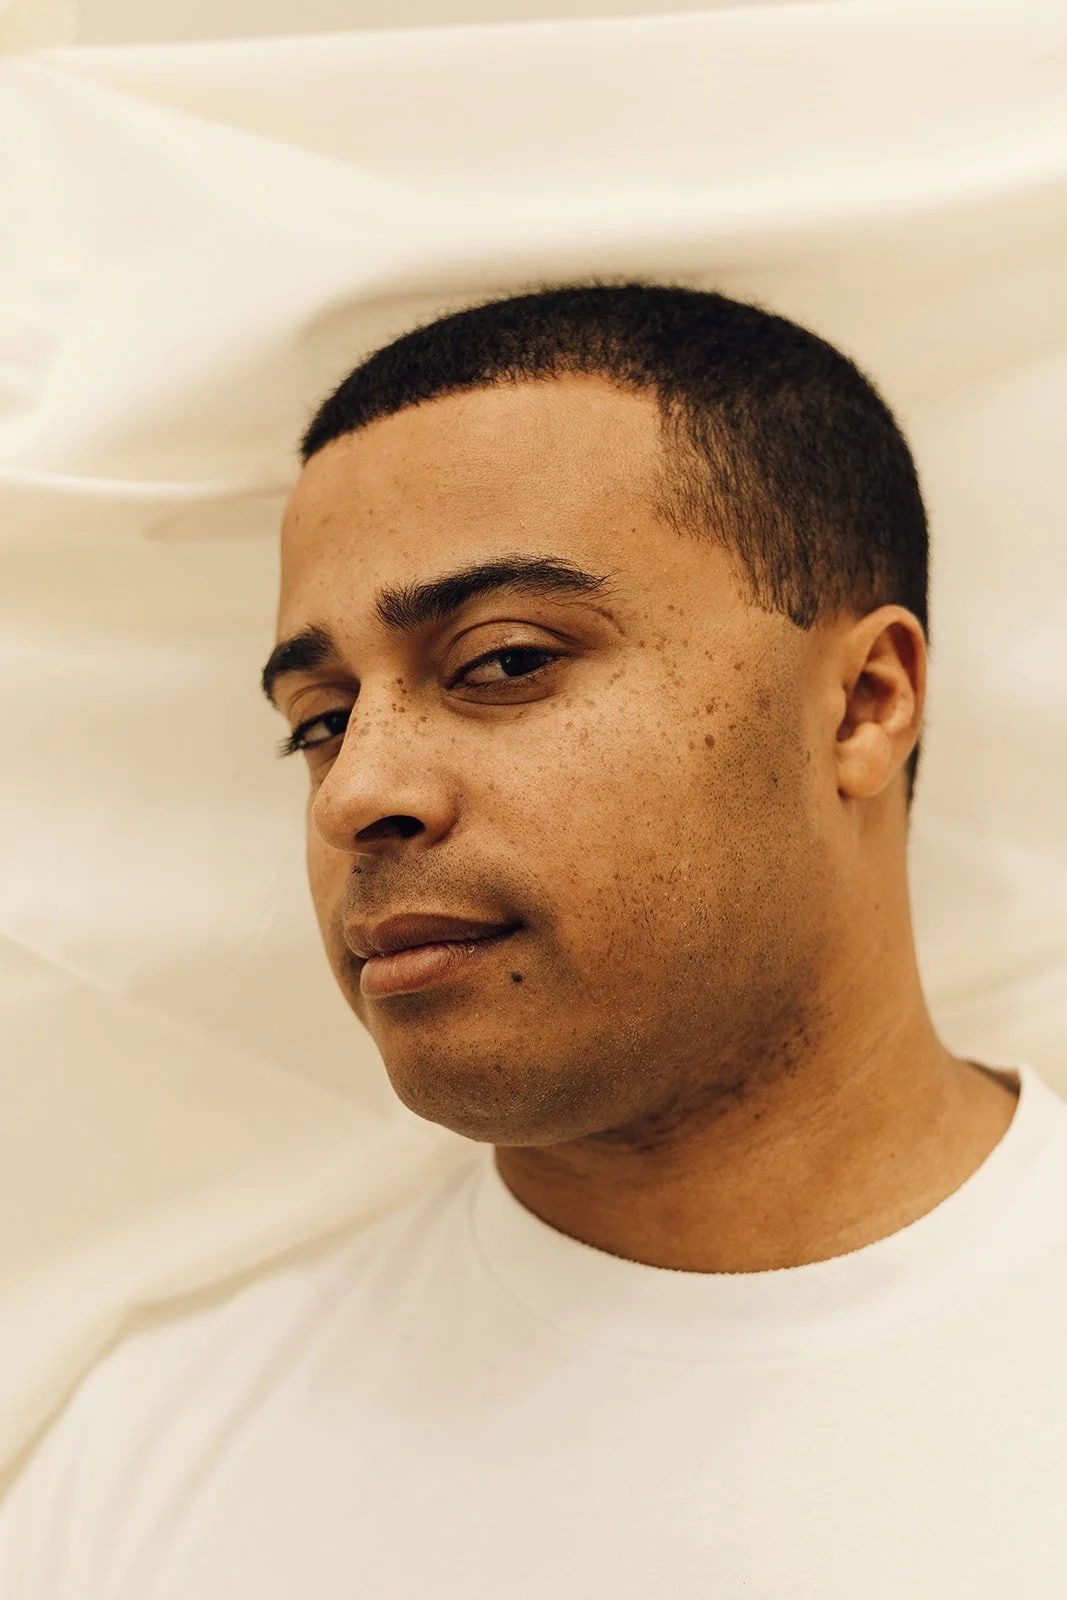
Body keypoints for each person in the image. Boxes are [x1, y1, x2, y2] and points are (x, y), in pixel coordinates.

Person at [2, 282, 1065, 1597]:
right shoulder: (145, 1470)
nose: (355, 793)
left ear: (860, 703)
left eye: (501, 662)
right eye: (319, 718)